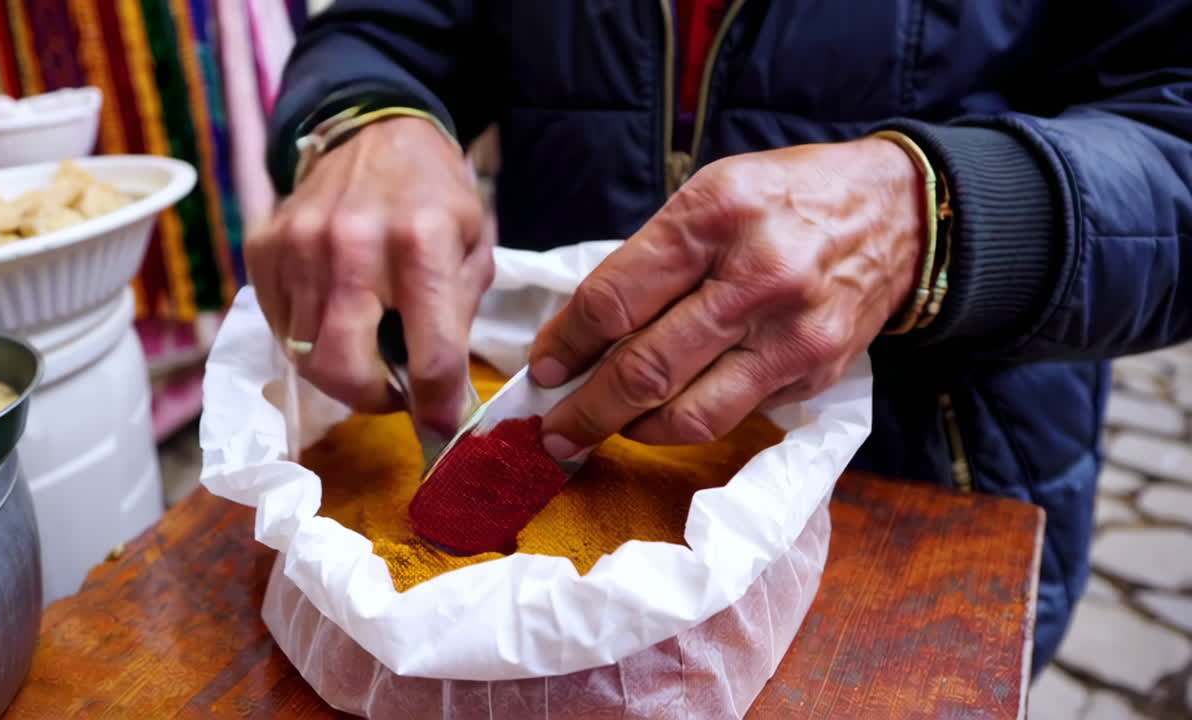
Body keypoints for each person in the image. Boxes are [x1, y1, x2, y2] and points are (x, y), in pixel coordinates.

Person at [246, 1, 1192, 673]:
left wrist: (939, 210)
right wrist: (366, 114)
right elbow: (393, 23)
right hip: (555, 452)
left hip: (923, 531)